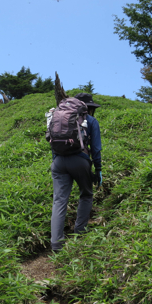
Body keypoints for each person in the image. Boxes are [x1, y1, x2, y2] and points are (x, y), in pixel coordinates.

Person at [50, 93, 102, 252]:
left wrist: (57, 160)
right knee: (86, 194)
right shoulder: (91, 121)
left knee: (59, 201)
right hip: (80, 161)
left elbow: (53, 143)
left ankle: (56, 245)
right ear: (87, 108)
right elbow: (96, 149)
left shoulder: (58, 117)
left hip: (58, 162)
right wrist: (98, 169)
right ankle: (79, 233)